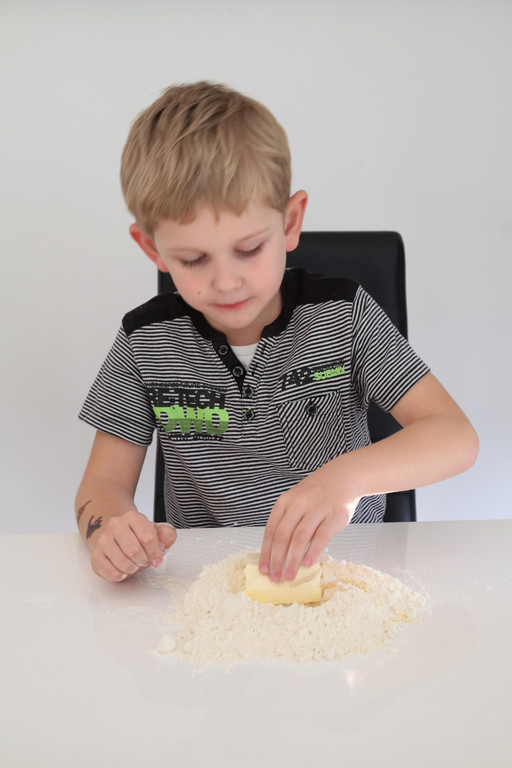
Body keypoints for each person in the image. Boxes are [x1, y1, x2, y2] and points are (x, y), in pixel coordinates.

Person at [76, 81, 478, 585]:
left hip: (344, 575)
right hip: (209, 582)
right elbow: (103, 483)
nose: (226, 281)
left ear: (290, 223)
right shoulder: (145, 340)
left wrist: (345, 479)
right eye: (194, 259)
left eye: (248, 250)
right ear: (153, 248)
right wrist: (110, 529)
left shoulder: (342, 315)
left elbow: (455, 437)